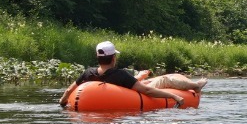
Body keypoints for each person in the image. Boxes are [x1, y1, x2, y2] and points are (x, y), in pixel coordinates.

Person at [59, 41, 203, 107]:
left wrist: (63, 102)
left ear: (98, 57)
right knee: (165, 79)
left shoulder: (88, 73)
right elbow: (147, 91)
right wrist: (173, 96)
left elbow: (68, 90)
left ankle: (140, 78)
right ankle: (195, 86)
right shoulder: (120, 74)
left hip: (127, 89)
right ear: (113, 58)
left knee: (144, 81)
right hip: (135, 93)